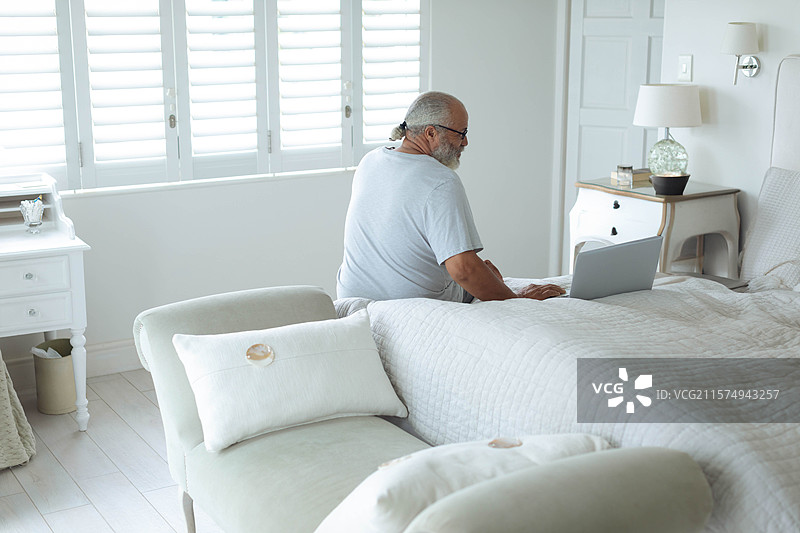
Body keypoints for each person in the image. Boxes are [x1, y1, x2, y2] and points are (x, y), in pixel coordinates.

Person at [336, 91, 565, 302]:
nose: (465, 142)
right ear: (430, 133)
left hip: (354, 300)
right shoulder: (440, 180)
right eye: (461, 134)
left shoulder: (371, 160)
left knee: (484, 273)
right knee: (479, 273)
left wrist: (484, 277)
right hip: (409, 308)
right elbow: (463, 270)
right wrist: (516, 299)